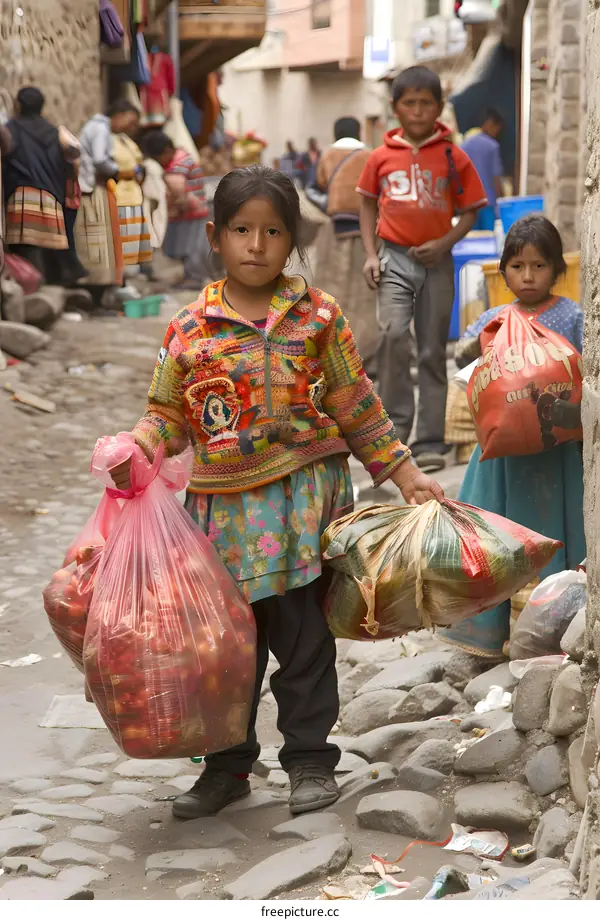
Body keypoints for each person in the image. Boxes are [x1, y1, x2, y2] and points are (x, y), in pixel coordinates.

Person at [109, 165, 443, 819]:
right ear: (213, 236)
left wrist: (403, 472)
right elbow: (168, 414)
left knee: (306, 644)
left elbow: (356, 404)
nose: (256, 244)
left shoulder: (318, 317)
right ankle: (226, 768)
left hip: (304, 515)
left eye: (272, 231)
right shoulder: (190, 329)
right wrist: (137, 451)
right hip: (222, 525)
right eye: (242, 230)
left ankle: (310, 762)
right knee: (226, 654)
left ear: (291, 240)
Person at [439, 215, 585, 659]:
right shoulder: (494, 318)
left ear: (556, 269)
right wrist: (475, 347)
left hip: (556, 448)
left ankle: (555, 623)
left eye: (539, 266)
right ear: (504, 270)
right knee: (498, 534)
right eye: (518, 266)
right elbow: (466, 359)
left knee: (555, 528)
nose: (528, 276)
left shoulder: (572, 315)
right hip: (503, 453)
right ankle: (491, 630)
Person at [357, 65, 487, 473]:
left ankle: (431, 439)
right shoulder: (379, 157)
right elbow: (365, 203)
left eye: (425, 103)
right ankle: (395, 430)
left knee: (432, 349)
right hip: (393, 257)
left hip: (437, 262)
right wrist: (370, 253)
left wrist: (444, 244)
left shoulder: (453, 155)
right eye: (408, 103)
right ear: (395, 108)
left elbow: (470, 211)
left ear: (439, 107)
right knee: (393, 336)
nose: (416, 111)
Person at [312, 116, 377, 373]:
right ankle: (365, 352)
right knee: (365, 296)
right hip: (366, 228)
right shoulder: (370, 154)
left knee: (333, 290)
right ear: (359, 130)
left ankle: (336, 353)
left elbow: (319, 184)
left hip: (335, 229)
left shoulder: (327, 156)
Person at [2, 86, 86, 285]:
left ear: (19, 105)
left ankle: (32, 292)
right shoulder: (55, 132)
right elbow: (73, 156)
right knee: (50, 251)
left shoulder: (11, 128)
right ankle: (53, 289)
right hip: (51, 198)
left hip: (21, 195)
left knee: (24, 250)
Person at [76, 100, 140, 291]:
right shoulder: (101, 129)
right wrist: (120, 172)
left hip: (94, 187)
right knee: (98, 240)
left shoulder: (97, 127)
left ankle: (100, 284)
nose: (130, 127)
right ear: (120, 114)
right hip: (93, 188)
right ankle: (97, 286)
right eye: (130, 121)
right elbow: (100, 160)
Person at [143, 130, 212, 288]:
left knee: (191, 246)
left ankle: (194, 278)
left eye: (158, 158)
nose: (159, 162)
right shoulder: (180, 157)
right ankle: (189, 276)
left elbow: (177, 189)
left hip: (192, 211)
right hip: (187, 211)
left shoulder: (178, 163)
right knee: (185, 245)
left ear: (167, 151)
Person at [112, 115, 152, 271]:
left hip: (134, 194)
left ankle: (134, 272)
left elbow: (139, 163)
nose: (134, 126)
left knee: (135, 242)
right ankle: (125, 275)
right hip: (121, 195)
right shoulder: (108, 141)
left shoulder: (126, 141)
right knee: (125, 241)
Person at [461, 108, 504, 232]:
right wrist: (499, 200)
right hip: (488, 203)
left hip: (469, 204)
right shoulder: (492, 146)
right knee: (488, 240)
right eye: (497, 129)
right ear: (490, 123)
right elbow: (496, 177)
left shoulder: (464, 146)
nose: (496, 133)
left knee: (471, 241)